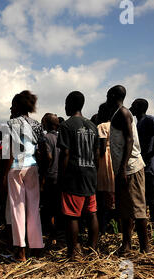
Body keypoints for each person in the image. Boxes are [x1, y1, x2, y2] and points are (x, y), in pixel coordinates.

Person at [3, 90, 46, 261]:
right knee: (33, 208)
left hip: (15, 167)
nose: (10, 108)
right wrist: (42, 173)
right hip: (32, 166)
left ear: (17, 106)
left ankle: (20, 251)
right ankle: (36, 248)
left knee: (17, 208)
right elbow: (43, 151)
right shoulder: (36, 124)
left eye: (12, 105)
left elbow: (9, 151)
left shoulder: (10, 124)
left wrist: (5, 173)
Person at [107, 85, 149, 255]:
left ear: (113, 95)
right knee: (124, 209)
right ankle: (127, 244)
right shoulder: (118, 113)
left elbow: (129, 140)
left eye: (108, 94)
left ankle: (145, 247)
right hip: (122, 169)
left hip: (131, 167)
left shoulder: (123, 113)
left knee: (137, 209)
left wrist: (123, 167)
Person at [57, 91, 99, 260]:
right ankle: (93, 249)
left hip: (74, 175)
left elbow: (65, 153)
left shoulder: (66, 126)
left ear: (70, 104)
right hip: (91, 173)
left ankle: (74, 251)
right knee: (92, 212)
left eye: (66, 104)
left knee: (72, 215)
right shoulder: (92, 126)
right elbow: (97, 153)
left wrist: (62, 176)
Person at [130, 98, 154, 222]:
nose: (131, 108)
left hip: (152, 165)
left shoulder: (148, 119)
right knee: (147, 195)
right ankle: (151, 221)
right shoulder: (138, 123)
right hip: (145, 165)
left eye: (133, 106)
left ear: (140, 108)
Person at [40, 113, 61, 246]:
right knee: (58, 208)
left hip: (50, 176)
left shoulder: (46, 138)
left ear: (47, 124)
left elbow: (47, 157)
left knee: (49, 208)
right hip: (61, 177)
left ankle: (51, 236)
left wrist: (42, 175)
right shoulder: (62, 137)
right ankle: (58, 236)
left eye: (43, 122)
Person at [96, 103, 115, 233]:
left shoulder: (101, 126)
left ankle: (103, 226)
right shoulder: (117, 126)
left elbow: (102, 148)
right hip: (115, 157)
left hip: (105, 159)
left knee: (103, 192)